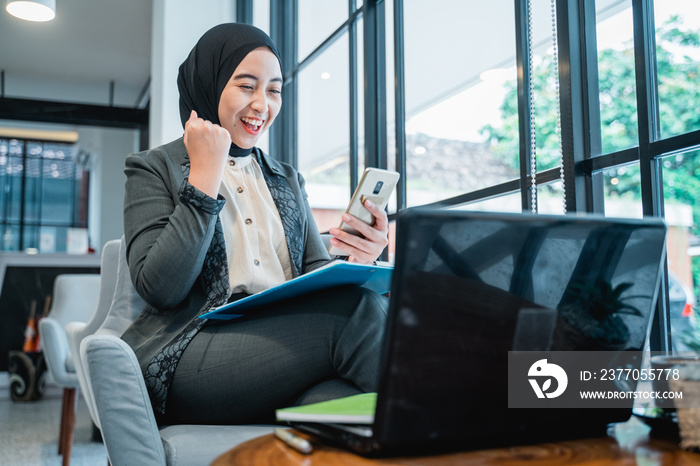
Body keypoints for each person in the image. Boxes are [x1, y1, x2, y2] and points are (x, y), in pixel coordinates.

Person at [120, 23, 390, 425]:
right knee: (359, 312)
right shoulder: (153, 167)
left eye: (274, 89)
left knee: (341, 402)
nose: (262, 104)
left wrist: (358, 258)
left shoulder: (286, 178)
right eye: (247, 86)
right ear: (208, 85)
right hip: (191, 349)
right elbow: (161, 288)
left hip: (283, 345)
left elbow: (315, 273)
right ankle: (472, 420)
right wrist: (205, 177)